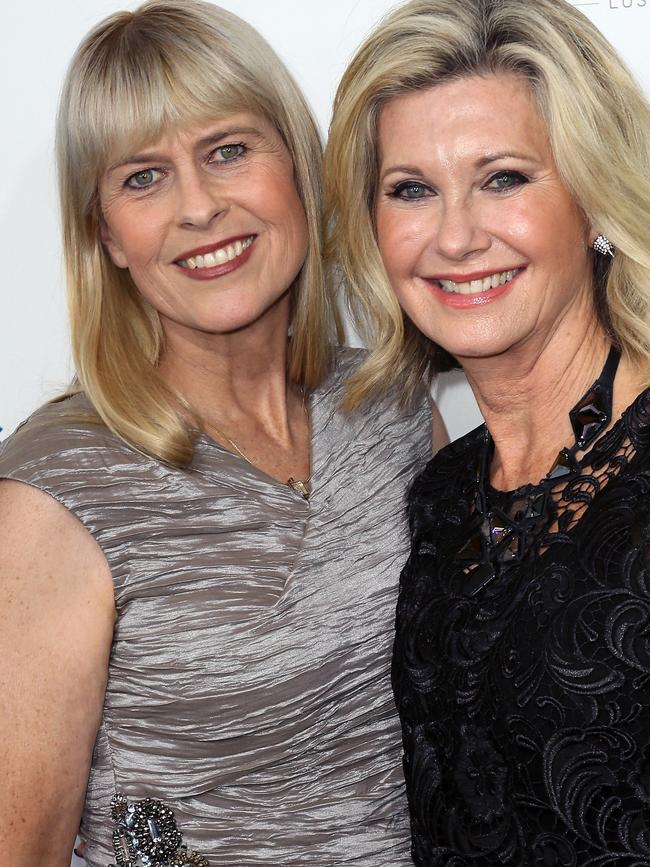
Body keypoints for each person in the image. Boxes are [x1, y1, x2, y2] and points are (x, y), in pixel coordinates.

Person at [0, 2, 447, 865]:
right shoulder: (52, 493)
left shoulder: (393, 402)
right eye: (142, 177)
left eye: (228, 151)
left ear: (298, 169)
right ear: (107, 235)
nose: (199, 207)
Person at [325, 0, 650, 862]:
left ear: (593, 197)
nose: (457, 236)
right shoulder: (443, 493)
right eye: (411, 190)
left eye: (502, 177)